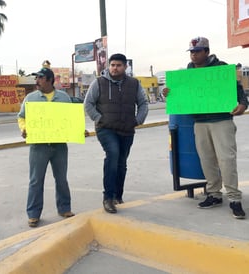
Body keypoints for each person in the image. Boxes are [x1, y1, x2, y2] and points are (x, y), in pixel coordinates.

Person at [163, 37, 248, 219]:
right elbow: (178, 94)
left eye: (197, 51)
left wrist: (242, 104)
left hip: (221, 121)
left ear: (207, 52)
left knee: (226, 159)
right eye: (192, 52)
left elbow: (239, 91)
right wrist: (168, 93)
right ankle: (214, 194)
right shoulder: (188, 72)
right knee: (207, 160)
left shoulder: (221, 68)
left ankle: (234, 198)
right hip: (200, 122)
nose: (193, 55)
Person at [84, 53, 149, 214]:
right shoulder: (99, 83)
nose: (115, 68)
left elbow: (143, 103)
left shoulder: (134, 84)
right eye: (112, 65)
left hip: (127, 129)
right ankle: (108, 198)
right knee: (112, 155)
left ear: (125, 67)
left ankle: (118, 195)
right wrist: (99, 119)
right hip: (106, 129)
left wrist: (138, 120)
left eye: (118, 65)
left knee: (122, 163)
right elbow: (88, 104)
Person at [17, 67, 75, 227]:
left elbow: (70, 119)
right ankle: (33, 214)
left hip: (59, 146)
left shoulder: (63, 98)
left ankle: (64, 208)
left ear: (50, 80)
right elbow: (21, 117)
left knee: (61, 179)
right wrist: (24, 129)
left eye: (40, 78)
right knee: (36, 180)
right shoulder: (31, 98)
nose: (37, 81)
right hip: (38, 146)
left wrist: (78, 129)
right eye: (36, 78)